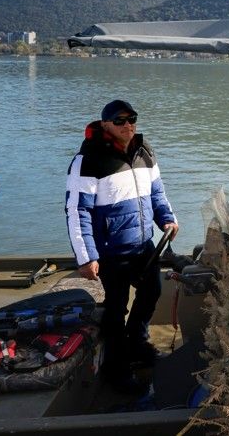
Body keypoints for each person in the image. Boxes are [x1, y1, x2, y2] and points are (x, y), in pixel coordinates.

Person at [65, 99, 179, 393]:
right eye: (120, 121)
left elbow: (157, 192)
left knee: (152, 290)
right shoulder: (87, 160)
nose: (128, 125)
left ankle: (136, 342)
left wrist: (167, 219)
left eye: (132, 119)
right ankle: (116, 370)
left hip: (143, 246)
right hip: (110, 252)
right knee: (115, 310)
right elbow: (78, 211)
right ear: (105, 125)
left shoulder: (145, 151)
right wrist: (86, 256)